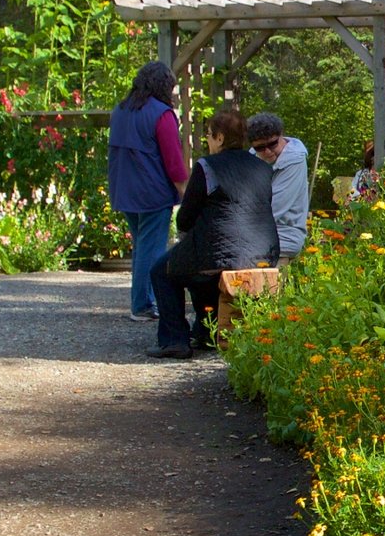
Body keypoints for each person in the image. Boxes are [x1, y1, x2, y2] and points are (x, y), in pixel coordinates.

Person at [148, 106, 278, 360]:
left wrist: (187, 233)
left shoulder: (208, 167)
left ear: (219, 138)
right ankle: (206, 332)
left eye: (209, 134)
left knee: (163, 270)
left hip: (219, 252)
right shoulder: (262, 167)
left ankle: (174, 340)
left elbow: (186, 216)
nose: (207, 139)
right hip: (264, 250)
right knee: (196, 264)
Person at [106, 62, 187, 321]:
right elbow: (173, 160)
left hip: (124, 190)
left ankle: (141, 300)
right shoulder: (161, 115)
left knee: (141, 247)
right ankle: (142, 305)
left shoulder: (120, 110)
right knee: (152, 251)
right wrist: (185, 190)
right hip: (152, 193)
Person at [246, 112, 308, 265]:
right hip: (255, 235)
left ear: (281, 135)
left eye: (272, 144)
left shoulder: (294, 161)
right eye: (260, 147)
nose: (267, 151)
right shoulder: (252, 158)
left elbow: (276, 208)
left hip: (284, 236)